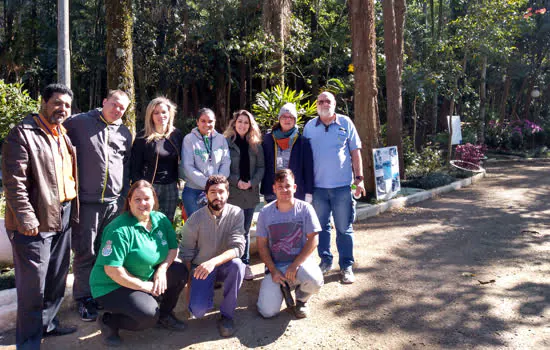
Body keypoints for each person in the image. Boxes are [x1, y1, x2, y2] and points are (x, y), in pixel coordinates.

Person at [2, 83, 78, 348]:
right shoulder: (22, 134)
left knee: (56, 278)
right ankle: (29, 342)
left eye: (67, 105)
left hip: (63, 214)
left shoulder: (62, 134)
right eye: (57, 103)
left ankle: (48, 324)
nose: (62, 109)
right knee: (33, 286)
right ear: (43, 103)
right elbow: (14, 183)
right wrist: (26, 218)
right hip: (36, 220)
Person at [90, 180, 189, 346]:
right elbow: (113, 270)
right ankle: (109, 321)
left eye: (147, 199)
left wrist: (162, 270)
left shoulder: (160, 219)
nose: (143, 203)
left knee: (179, 272)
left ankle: (164, 315)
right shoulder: (119, 230)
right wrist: (145, 287)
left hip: (146, 275)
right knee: (148, 315)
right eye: (137, 199)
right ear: (129, 202)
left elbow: (173, 248)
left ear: (154, 200)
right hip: (112, 285)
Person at [64, 90, 133, 321]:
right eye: (114, 104)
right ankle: (84, 299)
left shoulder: (124, 132)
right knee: (85, 252)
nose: (117, 110)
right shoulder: (79, 123)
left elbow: (125, 166)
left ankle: (105, 293)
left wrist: (123, 197)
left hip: (113, 204)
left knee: (109, 251)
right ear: (104, 101)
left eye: (122, 108)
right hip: (86, 203)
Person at [302, 91, 366, 284]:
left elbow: (355, 153)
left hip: (341, 188)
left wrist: (360, 179)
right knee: (320, 228)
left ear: (334, 103)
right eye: (320, 101)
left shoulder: (346, 123)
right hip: (318, 189)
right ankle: (325, 261)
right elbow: (304, 157)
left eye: (327, 100)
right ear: (316, 105)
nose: (324, 103)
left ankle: (346, 266)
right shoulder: (309, 127)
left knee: (344, 229)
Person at [178, 175, 245, 337]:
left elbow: (238, 247)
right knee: (198, 311)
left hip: (224, 265)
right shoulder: (195, 220)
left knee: (237, 265)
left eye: (221, 191)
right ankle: (204, 293)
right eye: (213, 192)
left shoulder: (236, 213)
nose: (218, 196)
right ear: (206, 194)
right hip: (201, 268)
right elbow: (186, 256)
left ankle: (227, 315)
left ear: (228, 194)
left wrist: (213, 262)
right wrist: (189, 290)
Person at [256, 169, 323, 319]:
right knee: (267, 312)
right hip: (276, 266)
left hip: (300, 264)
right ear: (274, 189)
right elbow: (262, 244)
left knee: (314, 280)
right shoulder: (265, 212)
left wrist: (295, 264)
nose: (284, 190)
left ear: (294, 187)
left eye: (288, 186)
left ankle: (301, 300)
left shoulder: (305, 209)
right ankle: (281, 287)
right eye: (280, 186)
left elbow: (313, 239)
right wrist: (273, 269)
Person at [224, 110, 265, 280]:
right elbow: (222, 167)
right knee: (231, 230)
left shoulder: (255, 144)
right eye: (240, 121)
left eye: (246, 122)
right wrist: (236, 181)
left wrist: (252, 182)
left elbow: (261, 167)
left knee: (245, 230)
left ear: (251, 125)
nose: (242, 125)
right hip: (233, 192)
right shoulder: (226, 142)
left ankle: (245, 263)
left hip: (250, 192)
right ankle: (231, 264)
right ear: (234, 123)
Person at [130, 97, 183, 222]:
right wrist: (140, 189)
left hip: (171, 187)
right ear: (151, 116)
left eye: (164, 112)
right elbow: (135, 166)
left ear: (169, 113)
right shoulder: (143, 137)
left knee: (166, 222)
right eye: (156, 113)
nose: (161, 116)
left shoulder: (176, 135)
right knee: (147, 221)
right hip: (151, 186)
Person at [181, 108, 230, 217]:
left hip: (217, 191)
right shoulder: (189, 139)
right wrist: (208, 184)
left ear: (215, 122)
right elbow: (188, 167)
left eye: (210, 121)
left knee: (216, 226)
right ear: (197, 122)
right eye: (203, 121)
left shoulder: (221, 139)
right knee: (196, 227)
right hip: (194, 191)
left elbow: (226, 162)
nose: (207, 124)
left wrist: (217, 184)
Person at [261, 103, 313, 203]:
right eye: (284, 116)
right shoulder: (268, 139)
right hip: (272, 191)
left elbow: (308, 168)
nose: (287, 119)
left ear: (295, 120)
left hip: (295, 192)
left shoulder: (302, 141)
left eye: (291, 117)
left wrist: (308, 192)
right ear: (279, 119)